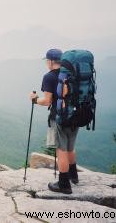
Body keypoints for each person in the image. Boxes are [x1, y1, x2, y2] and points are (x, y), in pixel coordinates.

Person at [29, 49, 79, 194]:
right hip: (75, 115)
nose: (46, 63)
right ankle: (73, 176)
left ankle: (64, 184)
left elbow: (46, 101)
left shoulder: (49, 77)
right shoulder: (71, 73)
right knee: (70, 147)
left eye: (46, 61)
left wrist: (34, 99)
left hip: (60, 117)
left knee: (61, 149)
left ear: (51, 61)